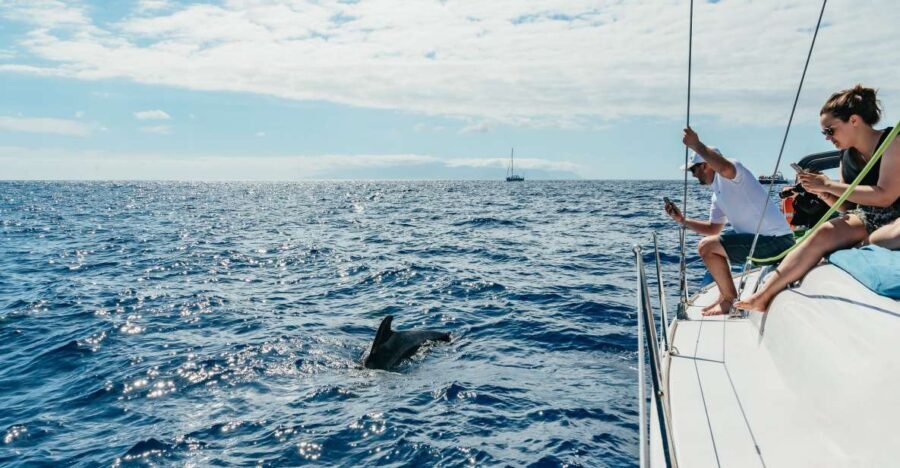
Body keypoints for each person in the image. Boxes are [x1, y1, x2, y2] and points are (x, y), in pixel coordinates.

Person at [736, 85, 900, 312]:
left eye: (830, 131)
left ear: (854, 120)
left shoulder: (893, 141)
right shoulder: (847, 155)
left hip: (895, 215)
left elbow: (885, 195)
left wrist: (829, 184)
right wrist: (823, 192)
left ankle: (860, 246)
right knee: (823, 233)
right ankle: (763, 296)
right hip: (866, 217)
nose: (827, 138)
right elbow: (848, 207)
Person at [665, 128, 794, 315]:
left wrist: (696, 145)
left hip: (777, 242)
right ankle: (725, 296)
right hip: (764, 244)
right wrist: (682, 220)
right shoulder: (717, 195)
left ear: (705, 165)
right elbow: (713, 229)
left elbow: (724, 167)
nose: (692, 174)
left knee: (706, 247)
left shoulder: (733, 172)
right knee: (711, 244)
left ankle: (729, 300)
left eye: (693, 169)